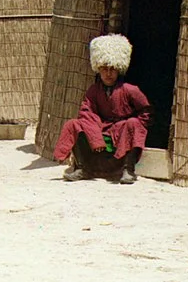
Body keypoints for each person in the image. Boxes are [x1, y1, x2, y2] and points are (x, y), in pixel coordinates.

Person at [53, 34, 150, 184]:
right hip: (100, 127)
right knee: (74, 124)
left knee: (134, 124)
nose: (108, 74)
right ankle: (82, 168)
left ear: (118, 70)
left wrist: (135, 124)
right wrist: (95, 134)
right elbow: (86, 112)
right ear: (98, 70)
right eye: (104, 69)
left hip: (122, 127)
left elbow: (146, 111)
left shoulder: (130, 90)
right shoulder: (93, 90)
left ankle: (128, 170)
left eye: (112, 69)